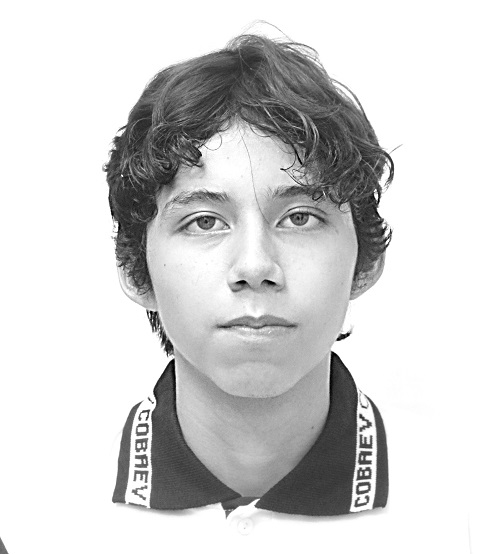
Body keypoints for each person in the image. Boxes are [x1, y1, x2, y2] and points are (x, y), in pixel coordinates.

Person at [104, 32, 402, 552]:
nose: (255, 266)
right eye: (203, 221)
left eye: (300, 217)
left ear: (365, 261)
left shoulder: (476, 505)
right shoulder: (30, 517)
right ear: (136, 271)